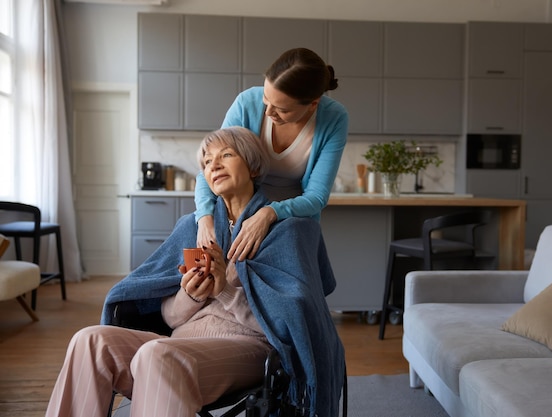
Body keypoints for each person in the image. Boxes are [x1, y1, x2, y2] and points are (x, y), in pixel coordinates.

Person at [45, 127, 345, 417]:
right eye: (206, 161)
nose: (213, 165)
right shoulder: (192, 227)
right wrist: (190, 295)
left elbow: (289, 326)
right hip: (178, 342)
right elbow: (170, 318)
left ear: (253, 166)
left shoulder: (289, 231)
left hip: (246, 347)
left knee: (158, 355)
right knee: (90, 340)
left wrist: (224, 292)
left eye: (225, 155)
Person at [194, 47, 349, 261]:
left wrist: (268, 213)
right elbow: (208, 167)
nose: (268, 112)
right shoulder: (246, 103)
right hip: (239, 212)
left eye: (282, 109)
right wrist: (204, 217)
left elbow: (316, 197)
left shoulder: (334, 118)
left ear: (313, 104)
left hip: (291, 221)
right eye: (266, 100)